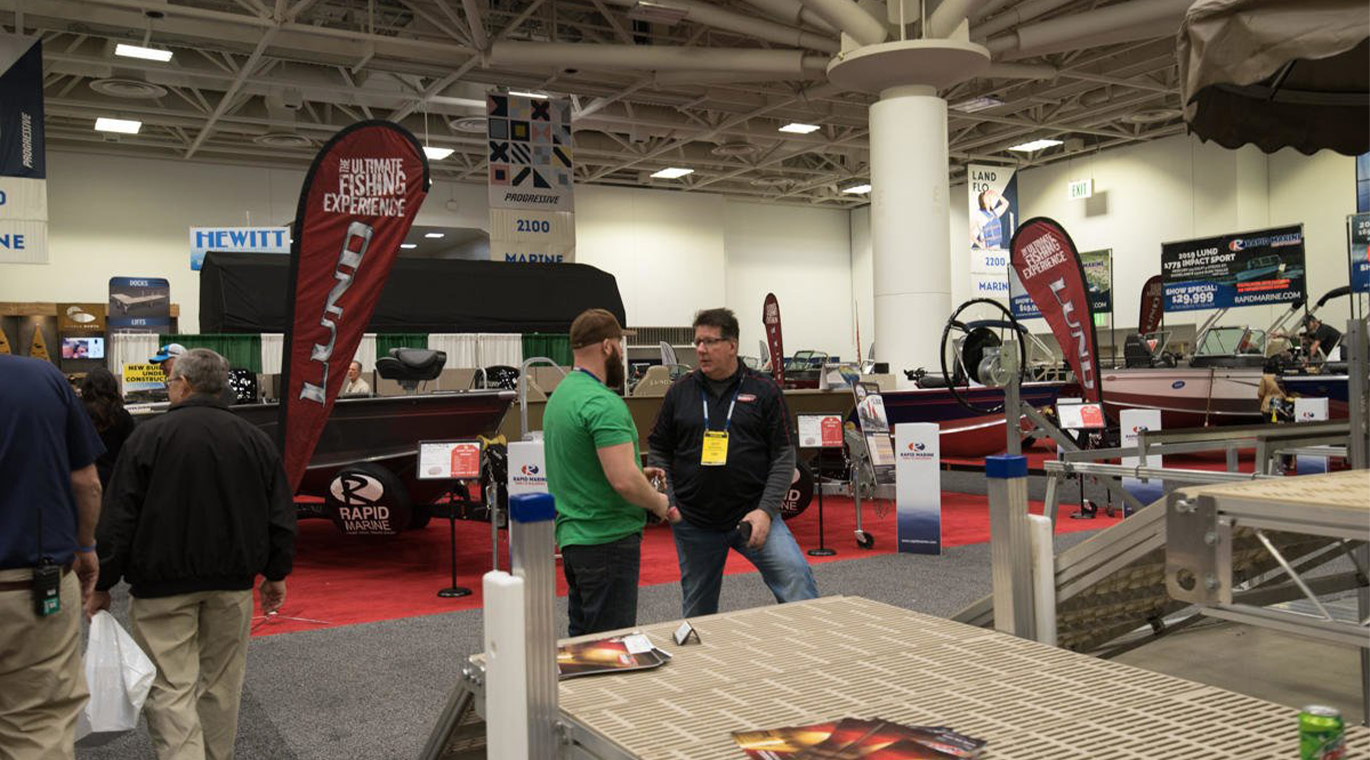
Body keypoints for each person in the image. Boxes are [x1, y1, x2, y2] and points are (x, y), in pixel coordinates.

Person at [89, 348, 297, 760]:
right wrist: (276, 572)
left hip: (160, 588)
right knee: (221, 685)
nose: (169, 388)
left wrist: (103, 581)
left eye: (169, 382)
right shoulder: (254, 439)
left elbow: (119, 516)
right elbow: (280, 512)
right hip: (232, 586)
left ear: (183, 384)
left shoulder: (148, 436)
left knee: (170, 687)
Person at [648, 308, 818, 619]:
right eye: (698, 342)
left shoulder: (764, 391)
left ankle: (813, 656)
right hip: (695, 521)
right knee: (698, 611)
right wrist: (667, 498)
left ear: (732, 346)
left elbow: (783, 455)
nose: (701, 349)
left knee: (797, 582)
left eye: (710, 342)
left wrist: (766, 511)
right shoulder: (680, 392)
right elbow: (658, 448)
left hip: (753, 516)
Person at [544, 309, 676, 636]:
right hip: (607, 540)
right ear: (607, 347)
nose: (621, 351)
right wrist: (660, 503)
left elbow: (584, 462)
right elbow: (624, 481)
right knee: (610, 646)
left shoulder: (561, 396)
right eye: (619, 344)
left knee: (583, 641)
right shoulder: (603, 403)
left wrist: (634, 470)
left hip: (574, 539)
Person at [0, 354, 104, 758]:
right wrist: (86, 548)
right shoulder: (39, 377)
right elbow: (87, 482)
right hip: (31, 587)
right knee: (37, 729)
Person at [80, 366, 137, 488]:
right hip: (115, 482)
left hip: (85, 478)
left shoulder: (78, 414)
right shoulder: (122, 416)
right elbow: (131, 452)